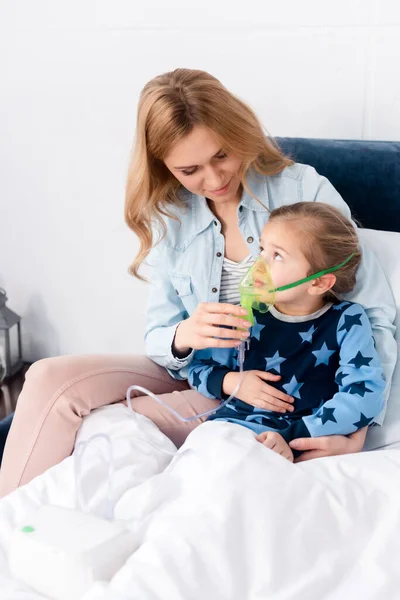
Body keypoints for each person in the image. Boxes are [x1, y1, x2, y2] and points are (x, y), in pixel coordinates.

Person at [0, 68, 396, 497]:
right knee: (46, 378)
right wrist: (185, 337)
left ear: (239, 133)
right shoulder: (173, 214)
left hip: (265, 392)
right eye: (190, 170)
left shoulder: (302, 189)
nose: (214, 180)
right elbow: (158, 334)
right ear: (164, 167)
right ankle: (10, 527)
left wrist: (358, 429)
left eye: (223, 155)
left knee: (102, 423)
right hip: (201, 371)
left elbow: (371, 313)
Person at [187, 202, 385, 462]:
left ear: (318, 282)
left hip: (287, 442)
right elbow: (198, 369)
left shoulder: (345, 321)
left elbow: (364, 394)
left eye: (277, 255)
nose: (259, 263)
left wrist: (295, 438)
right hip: (225, 431)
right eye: (261, 249)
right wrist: (228, 382)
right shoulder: (245, 314)